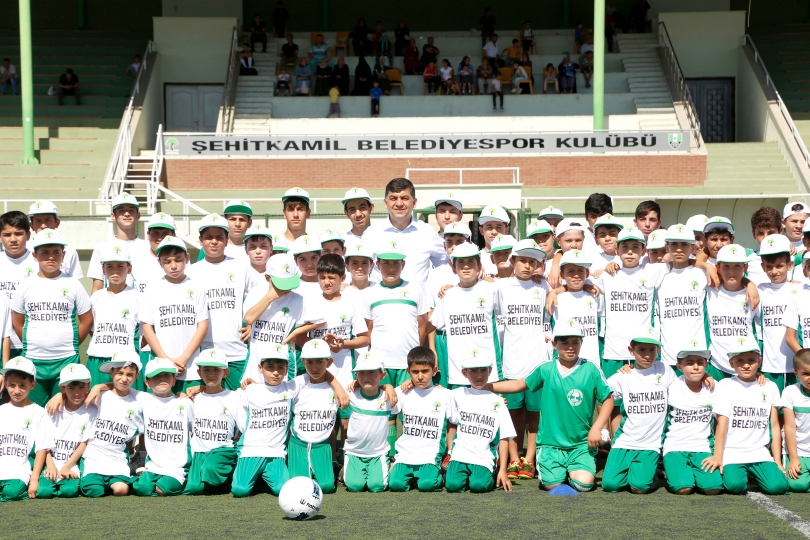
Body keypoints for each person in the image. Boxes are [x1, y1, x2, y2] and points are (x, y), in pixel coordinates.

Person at [489, 323, 615, 492]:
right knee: (552, 484)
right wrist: (486, 387)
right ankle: (556, 469)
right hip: (550, 445)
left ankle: (575, 466)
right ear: (554, 344)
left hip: (580, 444)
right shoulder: (546, 368)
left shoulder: (591, 369)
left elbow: (607, 399)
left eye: (575, 342)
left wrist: (597, 427)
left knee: (583, 485)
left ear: (581, 343)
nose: (570, 347)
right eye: (564, 342)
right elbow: (519, 384)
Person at [10, 229, 92, 407]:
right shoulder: (25, 285)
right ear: (34, 255)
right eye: (44, 252)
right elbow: (17, 320)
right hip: (33, 359)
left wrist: (72, 343)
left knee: (64, 412)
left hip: (66, 360)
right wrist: (30, 341)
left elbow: (86, 320)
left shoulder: (73, 284)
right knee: (35, 412)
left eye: (56, 252)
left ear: (63, 255)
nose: (50, 257)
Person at [703, 336, 789, 495]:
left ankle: (759, 472)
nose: (746, 365)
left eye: (751, 360)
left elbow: (775, 426)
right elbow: (721, 425)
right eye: (740, 360)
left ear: (760, 361)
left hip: (759, 452)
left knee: (778, 487)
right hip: (732, 452)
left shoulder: (770, 387)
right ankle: (744, 474)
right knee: (734, 486)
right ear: (731, 363)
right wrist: (718, 456)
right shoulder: (726, 386)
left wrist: (777, 461)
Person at [494, 239, 550, 479]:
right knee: (513, 413)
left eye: (532, 262)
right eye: (522, 261)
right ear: (513, 261)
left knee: (535, 415)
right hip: (511, 361)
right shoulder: (500, 286)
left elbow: (560, 291)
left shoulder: (543, 286)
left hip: (538, 359)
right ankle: (514, 459)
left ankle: (530, 458)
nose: (527, 266)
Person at [189, 214, 261, 391]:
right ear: (200, 240)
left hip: (237, 353)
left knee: (242, 404)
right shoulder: (191, 272)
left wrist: (253, 323)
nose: (214, 241)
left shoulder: (241, 267)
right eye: (208, 237)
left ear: (227, 239)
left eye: (219, 237)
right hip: (204, 354)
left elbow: (262, 293)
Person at [602, 333, 677, 493]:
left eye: (652, 349)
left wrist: (705, 376)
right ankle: (639, 469)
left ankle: (653, 471)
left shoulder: (665, 370)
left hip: (651, 443)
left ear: (658, 350)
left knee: (639, 487)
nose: (648, 355)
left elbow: (683, 388)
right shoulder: (624, 375)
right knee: (610, 485)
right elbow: (602, 395)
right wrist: (602, 430)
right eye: (641, 350)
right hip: (625, 440)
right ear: (631, 350)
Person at [139, 236, 209, 393]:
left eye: (178, 260)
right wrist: (165, 360)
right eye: (167, 261)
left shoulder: (196, 286)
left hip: (190, 368)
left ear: (187, 258)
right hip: (161, 367)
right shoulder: (152, 289)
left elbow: (202, 326)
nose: (173, 266)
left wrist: (184, 358)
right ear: (159, 262)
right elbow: (147, 328)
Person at [596, 227, 666, 379]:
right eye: (625, 247)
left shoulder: (653, 271)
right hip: (613, 351)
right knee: (611, 399)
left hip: (642, 351)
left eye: (635, 248)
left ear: (644, 250)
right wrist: (555, 291)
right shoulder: (607, 276)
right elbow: (584, 284)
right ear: (617, 250)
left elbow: (684, 263)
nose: (629, 252)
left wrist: (706, 265)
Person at [363, 239, 430, 389]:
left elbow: (422, 326)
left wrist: (413, 355)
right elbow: (369, 330)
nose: (391, 268)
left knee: (406, 409)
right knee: (383, 408)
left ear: (403, 265)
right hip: (380, 365)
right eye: (386, 263)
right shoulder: (369, 294)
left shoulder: (416, 290)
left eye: (396, 263)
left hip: (408, 365)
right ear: (378, 265)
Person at [444, 352, 515, 493]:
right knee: (452, 485)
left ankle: (491, 472)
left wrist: (503, 470)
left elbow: (504, 437)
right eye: (473, 371)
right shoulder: (456, 394)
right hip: (460, 454)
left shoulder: (498, 402)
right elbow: (432, 390)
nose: (479, 375)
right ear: (464, 373)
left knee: (479, 485)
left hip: (484, 456)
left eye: (483, 370)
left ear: (490, 371)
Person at [287, 339, 349, 494]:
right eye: (309, 362)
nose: (314, 367)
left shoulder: (336, 387)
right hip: (298, 444)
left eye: (320, 362)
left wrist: (386, 386)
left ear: (329, 362)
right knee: (299, 485)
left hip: (322, 445)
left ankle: (329, 467)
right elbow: (275, 390)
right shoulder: (297, 383)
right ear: (303, 362)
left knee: (327, 486)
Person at [79, 353, 143, 498]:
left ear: (136, 376)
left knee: (121, 490)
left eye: (130, 375)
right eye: (120, 373)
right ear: (111, 372)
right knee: (94, 491)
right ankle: (99, 482)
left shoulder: (139, 399)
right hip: (94, 457)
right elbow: (74, 398)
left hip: (118, 459)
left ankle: (115, 481)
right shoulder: (100, 395)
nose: (124, 378)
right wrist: (60, 396)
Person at [362, 177, 447, 284]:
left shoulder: (427, 232)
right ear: (385, 203)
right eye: (393, 198)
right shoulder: (371, 234)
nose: (399, 203)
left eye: (404, 198)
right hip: (382, 300)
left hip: (418, 300)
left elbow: (445, 265)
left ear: (414, 202)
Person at [128, 358, 193, 497]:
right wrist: (98, 387)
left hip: (178, 467)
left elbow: (195, 430)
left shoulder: (185, 403)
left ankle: (186, 480)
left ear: (174, 380)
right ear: (147, 382)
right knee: (141, 489)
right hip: (153, 465)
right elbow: (120, 386)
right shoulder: (143, 399)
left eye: (167, 375)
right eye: (156, 376)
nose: (162, 379)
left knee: (162, 489)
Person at [389, 347, 450, 492]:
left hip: (429, 455)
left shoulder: (444, 395)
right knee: (395, 484)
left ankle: (439, 473)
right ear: (408, 371)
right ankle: (413, 475)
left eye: (425, 371)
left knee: (427, 485)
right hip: (405, 454)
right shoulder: (403, 392)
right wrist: (387, 385)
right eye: (415, 372)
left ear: (434, 371)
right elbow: (376, 393)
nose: (420, 376)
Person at [661, 350, 723, 495]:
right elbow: (647, 375)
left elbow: (721, 422)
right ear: (679, 366)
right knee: (683, 488)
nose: (696, 367)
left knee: (712, 489)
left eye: (700, 363)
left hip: (703, 447)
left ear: (706, 365)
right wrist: (629, 368)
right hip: (675, 446)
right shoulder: (671, 385)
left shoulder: (716, 387)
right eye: (689, 363)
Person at [183, 350, 241, 495]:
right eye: (206, 369)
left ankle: (231, 476)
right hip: (199, 452)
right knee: (193, 488)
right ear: (199, 373)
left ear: (226, 373)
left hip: (223, 449)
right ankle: (220, 482)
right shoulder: (193, 398)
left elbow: (243, 428)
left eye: (216, 369)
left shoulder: (234, 397)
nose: (211, 374)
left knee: (210, 469)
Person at [33, 363, 95, 499]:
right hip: (51, 461)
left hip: (72, 463)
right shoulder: (51, 409)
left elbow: (84, 444)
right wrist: (50, 465)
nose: (77, 392)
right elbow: (44, 443)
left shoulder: (91, 411)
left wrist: (67, 467)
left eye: (81, 387)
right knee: (44, 492)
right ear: (62, 388)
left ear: (88, 386)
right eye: (71, 388)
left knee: (69, 491)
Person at [86, 245, 140, 387]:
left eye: (120, 266)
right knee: (96, 403)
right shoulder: (95, 297)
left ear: (129, 269)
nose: (115, 271)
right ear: (103, 270)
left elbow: (145, 332)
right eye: (109, 266)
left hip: (125, 362)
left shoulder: (138, 297)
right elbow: (91, 328)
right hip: (98, 359)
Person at [342, 352, 394, 492]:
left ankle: (388, 464)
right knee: (354, 486)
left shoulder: (389, 396)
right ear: (356, 375)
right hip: (354, 452)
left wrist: (387, 386)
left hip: (378, 453)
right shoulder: (351, 394)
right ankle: (348, 470)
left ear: (382, 375)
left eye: (372, 372)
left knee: (377, 486)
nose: (366, 377)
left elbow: (414, 384)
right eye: (361, 373)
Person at [0, 357, 49, 502]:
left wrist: (34, 479)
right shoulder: (1, 410)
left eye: (22, 385)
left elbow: (42, 448)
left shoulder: (39, 413)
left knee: (13, 492)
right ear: (5, 383)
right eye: (12, 385)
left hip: (19, 470)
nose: (16, 391)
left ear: (32, 384)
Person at [754, 234, 798, 391]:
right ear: (762, 267)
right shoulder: (759, 290)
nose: (774, 271)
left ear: (790, 265)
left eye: (779, 266)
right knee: (773, 408)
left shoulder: (799, 289)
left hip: (797, 363)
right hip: (770, 364)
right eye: (769, 266)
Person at [87, 192, 151, 295]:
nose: (127, 214)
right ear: (113, 215)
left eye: (131, 210)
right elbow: (97, 287)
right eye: (121, 210)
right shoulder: (102, 248)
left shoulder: (148, 247)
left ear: (138, 215)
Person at [27, 201, 82, 278]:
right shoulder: (24, 250)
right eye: (38, 221)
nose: (43, 226)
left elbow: (75, 282)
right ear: (31, 225)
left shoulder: (70, 251)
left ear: (57, 223)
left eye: (48, 220)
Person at [783, 349, 810, 493]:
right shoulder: (790, 392)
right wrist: (793, 458)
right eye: (806, 373)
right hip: (800, 451)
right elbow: (790, 427)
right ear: (796, 373)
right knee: (798, 485)